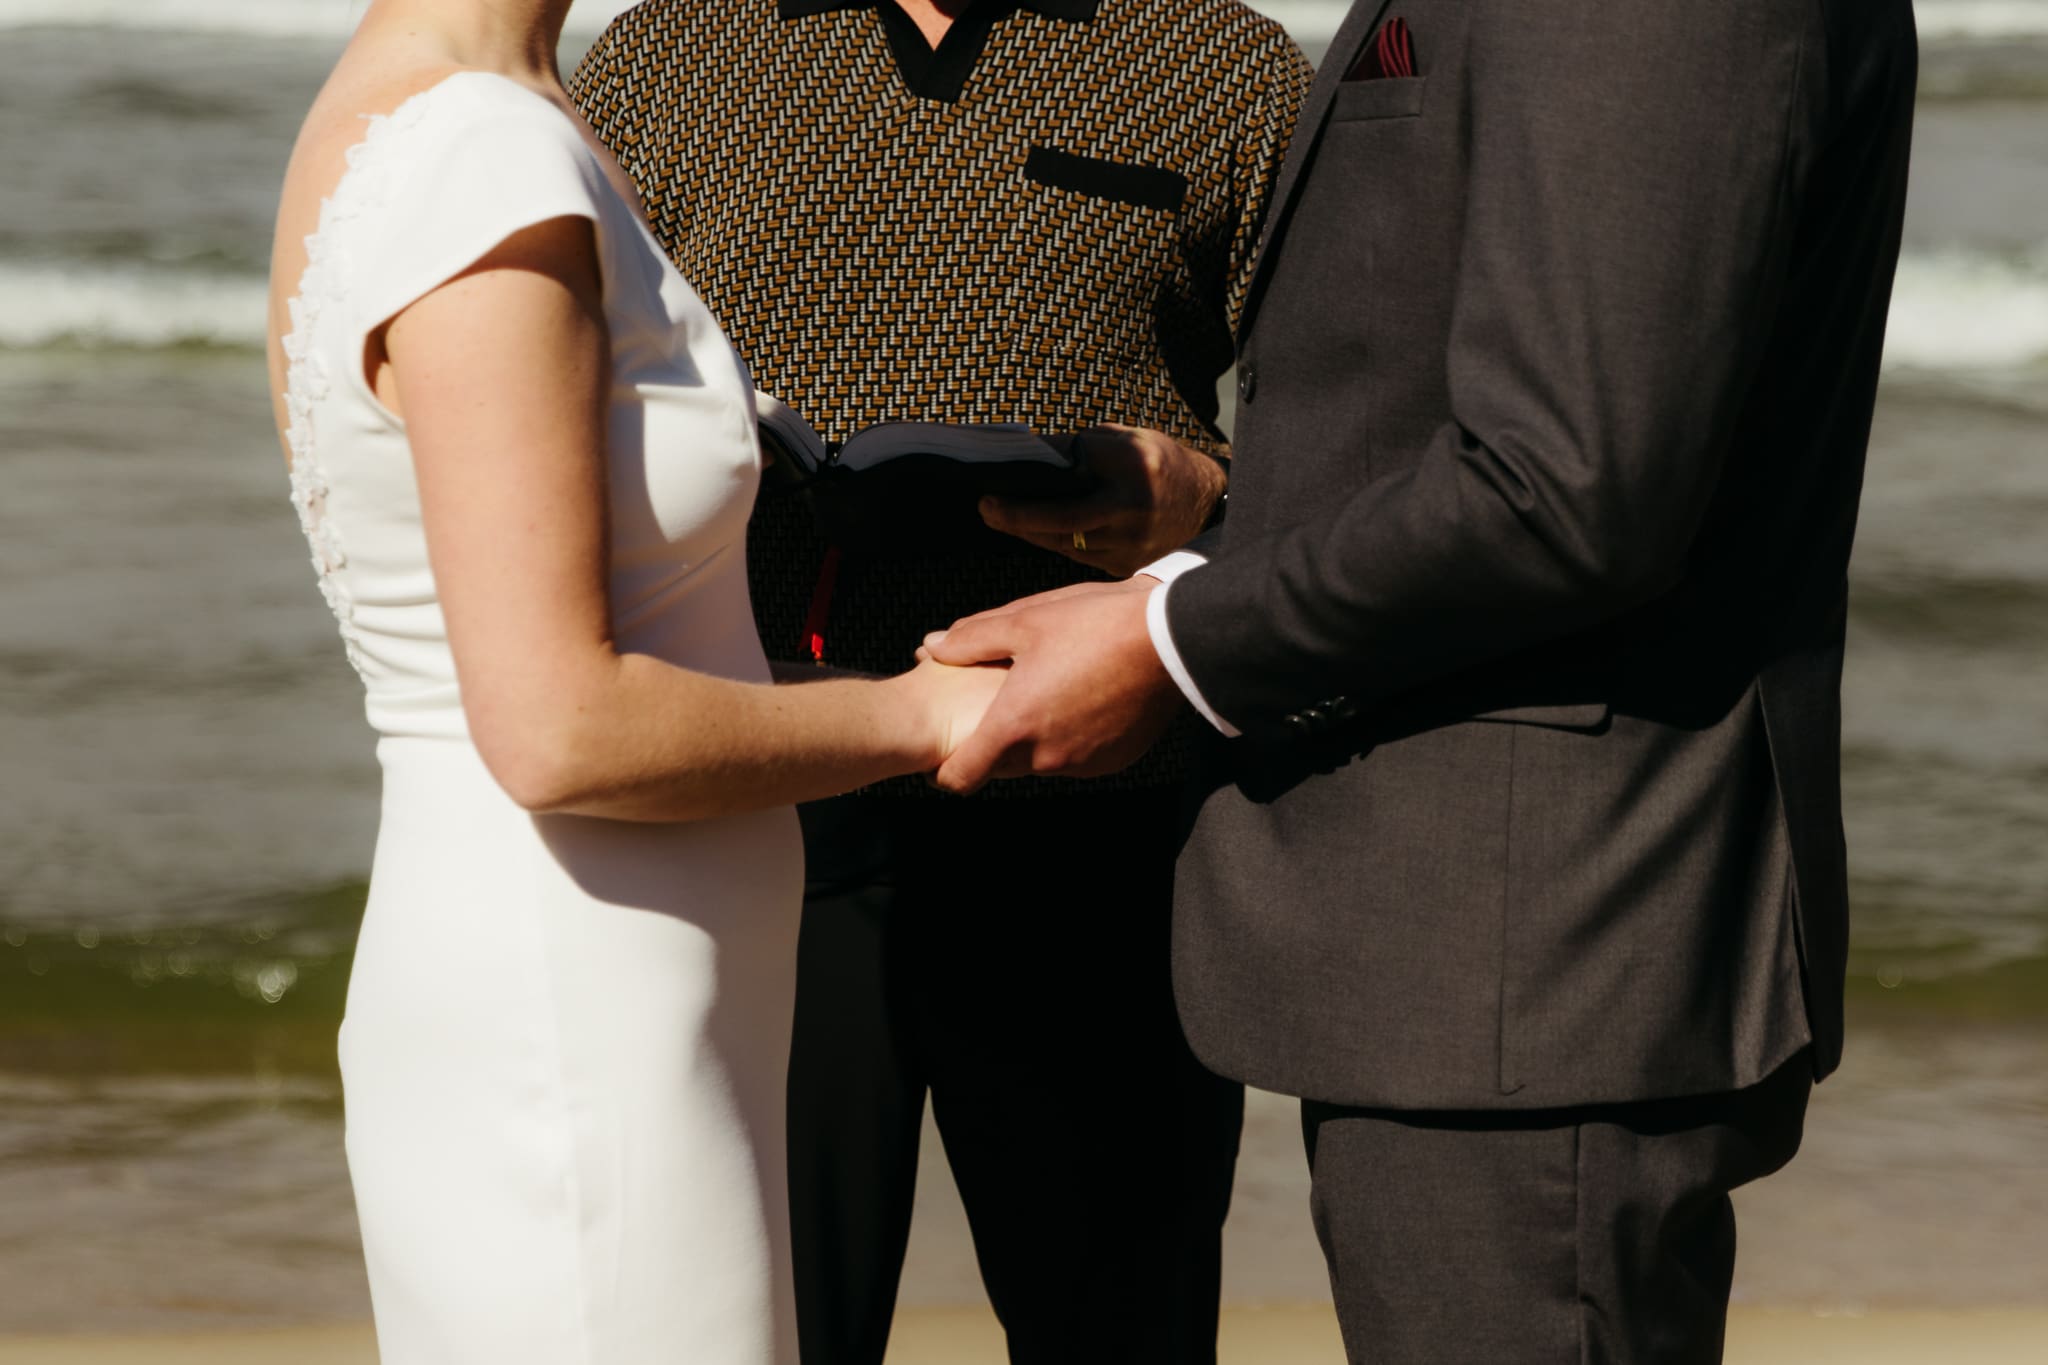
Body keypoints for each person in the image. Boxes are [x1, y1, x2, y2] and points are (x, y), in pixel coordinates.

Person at [925, 1, 1920, 1361]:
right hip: (1491, 956)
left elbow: (1568, 485)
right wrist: (1198, 544)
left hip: (1541, 956)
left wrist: (1172, 643)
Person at [569, 4, 1311, 1362]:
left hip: (1106, 814)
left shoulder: (1233, 69)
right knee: (758, 1330)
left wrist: (1212, 497)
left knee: (1122, 1329)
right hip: (756, 813)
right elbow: (560, 403)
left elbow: (1354, 435)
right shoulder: (658, 56)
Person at [262, 1, 1000, 1360]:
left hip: (602, 989)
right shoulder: (479, 157)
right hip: (578, 1014)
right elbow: (557, 727)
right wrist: (931, 709)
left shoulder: (458, 111)